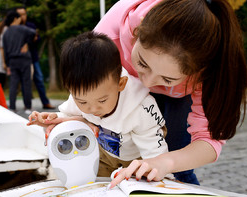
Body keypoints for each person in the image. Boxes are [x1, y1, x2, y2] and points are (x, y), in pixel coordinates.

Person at [92, 0, 247, 187]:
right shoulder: (107, 37)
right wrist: (78, 117)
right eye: (143, 63)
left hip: (179, 97)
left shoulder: (210, 72)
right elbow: (86, 86)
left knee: (174, 164)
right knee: (111, 154)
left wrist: (167, 162)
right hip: (122, 88)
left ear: (199, 71)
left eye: (167, 79)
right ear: (138, 29)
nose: (147, 83)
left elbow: (209, 139)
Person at [27, 31, 168, 176]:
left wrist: (158, 173)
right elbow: (68, 116)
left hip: (136, 158)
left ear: (120, 84)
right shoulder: (82, 96)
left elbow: (154, 152)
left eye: (102, 100)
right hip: (103, 156)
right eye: (82, 101)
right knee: (94, 184)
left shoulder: (141, 109)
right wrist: (52, 120)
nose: (92, 108)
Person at [16, 7, 55, 109]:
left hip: (33, 58)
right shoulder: (15, 28)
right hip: (22, 59)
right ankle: (26, 104)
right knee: (25, 82)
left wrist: (33, 40)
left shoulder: (31, 26)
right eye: (19, 14)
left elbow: (37, 38)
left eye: (24, 14)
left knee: (39, 80)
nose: (22, 16)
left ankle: (45, 102)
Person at [3, 10, 36, 113]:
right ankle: (28, 107)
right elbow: (33, 33)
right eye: (19, 18)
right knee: (26, 83)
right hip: (24, 59)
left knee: (13, 84)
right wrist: (27, 43)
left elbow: (5, 49)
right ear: (15, 19)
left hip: (12, 60)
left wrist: (7, 64)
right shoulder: (22, 29)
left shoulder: (6, 33)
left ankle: (12, 107)